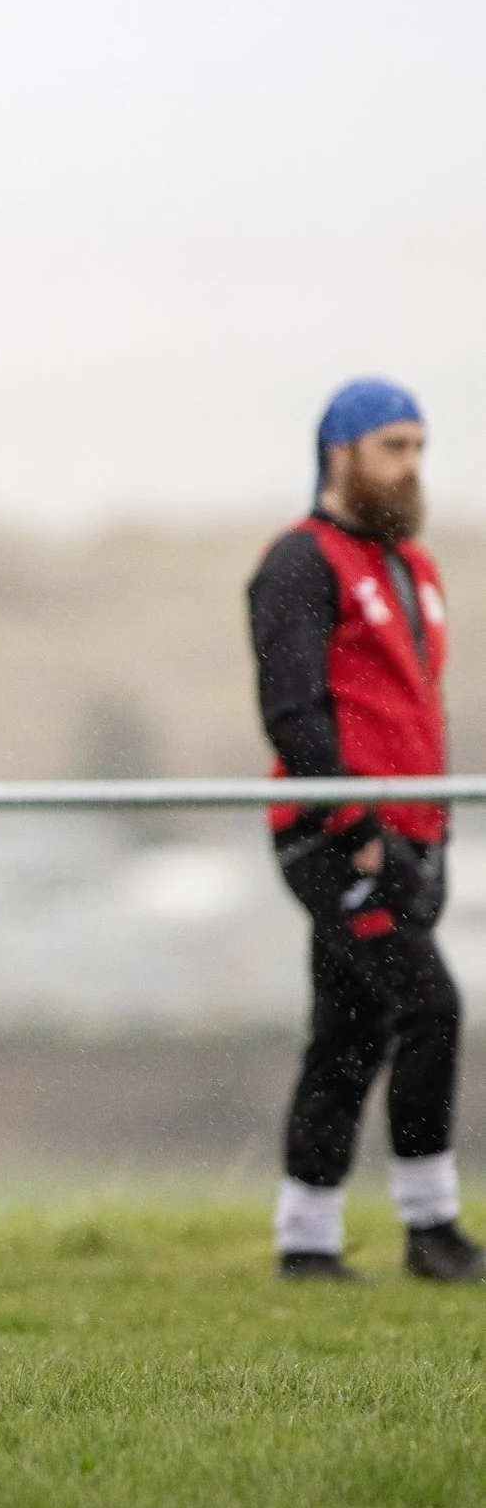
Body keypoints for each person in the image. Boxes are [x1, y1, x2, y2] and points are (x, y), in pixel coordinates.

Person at [249, 377, 482, 1282]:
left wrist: (434, 831)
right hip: (336, 836)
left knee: (350, 1028)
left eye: (421, 447)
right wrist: (361, 832)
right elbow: (293, 712)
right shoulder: (300, 562)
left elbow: (418, 709)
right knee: (432, 1008)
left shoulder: (415, 569)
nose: (412, 465)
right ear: (339, 452)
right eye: (394, 446)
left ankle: (305, 1239)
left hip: (411, 831)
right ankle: (432, 1229)